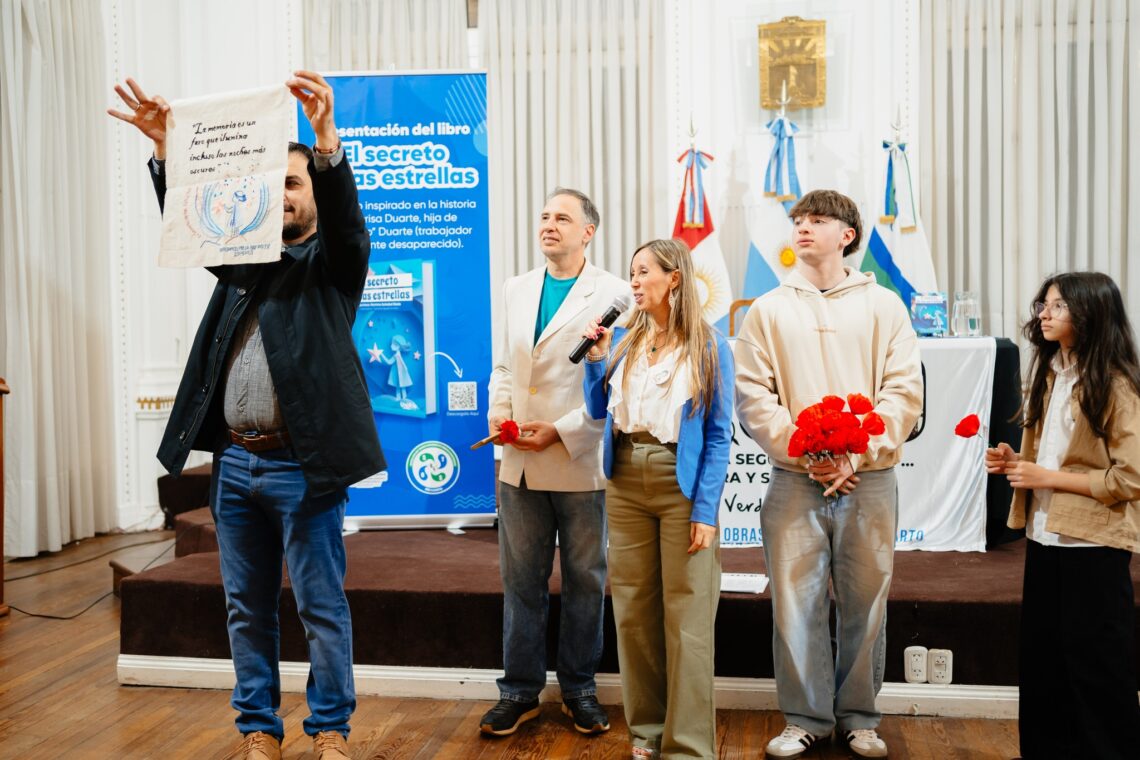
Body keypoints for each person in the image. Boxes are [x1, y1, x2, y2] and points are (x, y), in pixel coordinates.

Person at [108, 73, 385, 760]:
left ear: (314, 193)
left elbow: (348, 227)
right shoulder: (240, 261)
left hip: (302, 470)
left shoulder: (333, 267)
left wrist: (326, 139)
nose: (280, 194)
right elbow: (193, 223)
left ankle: (330, 731)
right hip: (234, 465)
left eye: (292, 183)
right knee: (245, 608)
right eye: (273, 183)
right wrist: (166, 152)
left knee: (320, 608)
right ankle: (258, 727)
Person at [734, 190, 923, 759]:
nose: (802, 228)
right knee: (795, 604)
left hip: (868, 478)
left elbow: (903, 392)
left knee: (867, 603)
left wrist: (854, 455)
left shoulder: (884, 305)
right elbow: (753, 396)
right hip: (795, 478)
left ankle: (860, 717)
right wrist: (807, 453)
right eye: (798, 220)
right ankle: (805, 717)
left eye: (817, 220)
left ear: (847, 235)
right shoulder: (768, 308)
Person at [482, 188, 632, 737]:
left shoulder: (617, 293)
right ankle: (519, 692)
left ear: (588, 231)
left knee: (585, 581)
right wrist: (501, 417)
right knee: (521, 580)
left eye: (562, 218)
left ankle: (579, 689)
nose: (549, 224)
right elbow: (505, 367)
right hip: (519, 458)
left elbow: (615, 383)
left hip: (579, 459)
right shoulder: (517, 287)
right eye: (545, 216)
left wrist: (562, 432)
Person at [581, 238, 733, 760]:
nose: (634, 281)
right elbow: (598, 410)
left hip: (678, 483)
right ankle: (646, 731)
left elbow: (718, 435)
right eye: (632, 273)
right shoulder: (624, 340)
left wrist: (706, 512)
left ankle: (687, 745)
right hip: (624, 478)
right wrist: (595, 359)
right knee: (633, 613)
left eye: (644, 272)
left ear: (674, 278)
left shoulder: (709, 346)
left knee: (688, 617)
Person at [985, 272, 1140, 760]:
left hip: (1093, 545)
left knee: (1098, 669)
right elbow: (1057, 459)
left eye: (1057, 306)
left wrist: (1046, 477)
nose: (1044, 315)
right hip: (1045, 537)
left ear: (1090, 314)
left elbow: (1130, 478)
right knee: (1043, 664)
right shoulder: (1052, 373)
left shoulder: (1115, 384)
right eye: (1043, 305)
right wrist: (1016, 462)